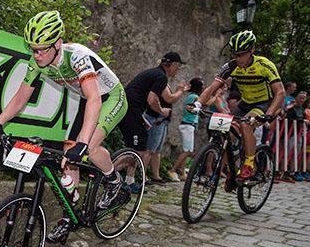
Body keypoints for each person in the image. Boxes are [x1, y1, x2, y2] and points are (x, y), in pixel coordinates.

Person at [0, 11, 128, 244]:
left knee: (88, 148)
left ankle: (114, 181)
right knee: (67, 155)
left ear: (58, 43)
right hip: (87, 99)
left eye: (41, 49)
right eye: (32, 48)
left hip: (110, 97)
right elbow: (21, 97)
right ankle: (69, 216)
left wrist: (83, 142)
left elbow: (95, 99)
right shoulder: (37, 62)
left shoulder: (77, 56)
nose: (36, 54)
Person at [193, 30, 285, 188]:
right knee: (223, 129)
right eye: (235, 55)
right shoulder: (231, 66)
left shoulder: (264, 65)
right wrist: (198, 104)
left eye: (242, 54)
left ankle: (249, 164)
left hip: (264, 103)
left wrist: (269, 114)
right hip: (245, 103)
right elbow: (212, 87)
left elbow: (281, 92)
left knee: (246, 124)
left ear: (252, 51)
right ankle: (232, 169)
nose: (238, 58)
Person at [119, 52, 188, 181]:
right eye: (178, 66)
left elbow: (138, 95)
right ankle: (109, 172)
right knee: (139, 149)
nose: (178, 70)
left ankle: (129, 181)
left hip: (132, 109)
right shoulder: (161, 77)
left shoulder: (154, 73)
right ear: (172, 65)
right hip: (130, 109)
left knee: (138, 148)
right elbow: (152, 100)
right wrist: (162, 111)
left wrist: (142, 118)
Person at [168, 78, 204, 181]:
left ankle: (182, 172)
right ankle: (172, 170)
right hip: (187, 125)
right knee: (188, 151)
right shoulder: (194, 97)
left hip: (189, 125)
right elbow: (190, 107)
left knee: (186, 150)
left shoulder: (192, 96)